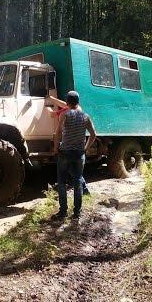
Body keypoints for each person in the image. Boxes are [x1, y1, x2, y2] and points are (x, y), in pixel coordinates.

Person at [52, 91, 96, 220]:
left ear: (67, 102)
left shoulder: (64, 115)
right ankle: (77, 213)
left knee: (61, 182)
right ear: (78, 102)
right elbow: (93, 135)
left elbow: (58, 134)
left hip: (65, 153)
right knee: (77, 182)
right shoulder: (85, 116)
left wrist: (55, 148)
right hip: (78, 154)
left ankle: (63, 212)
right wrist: (86, 149)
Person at [46, 95, 90, 195]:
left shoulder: (65, 113)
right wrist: (52, 98)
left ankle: (84, 190)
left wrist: (46, 107)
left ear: (68, 102)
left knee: (71, 172)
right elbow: (63, 104)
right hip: (79, 147)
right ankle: (84, 193)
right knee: (76, 172)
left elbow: (52, 115)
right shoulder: (79, 109)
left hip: (67, 147)